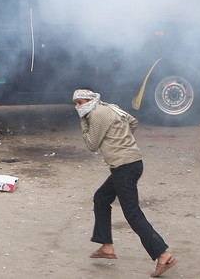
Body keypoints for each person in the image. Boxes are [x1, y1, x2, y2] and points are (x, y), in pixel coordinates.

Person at [74, 89, 177, 278]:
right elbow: (133, 122)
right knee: (101, 198)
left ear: (90, 100)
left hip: (124, 167)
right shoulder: (110, 107)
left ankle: (163, 254)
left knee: (132, 214)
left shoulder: (96, 115)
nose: (79, 107)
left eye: (81, 102)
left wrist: (83, 122)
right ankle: (106, 246)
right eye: (76, 104)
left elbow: (91, 145)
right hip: (132, 163)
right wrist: (123, 139)